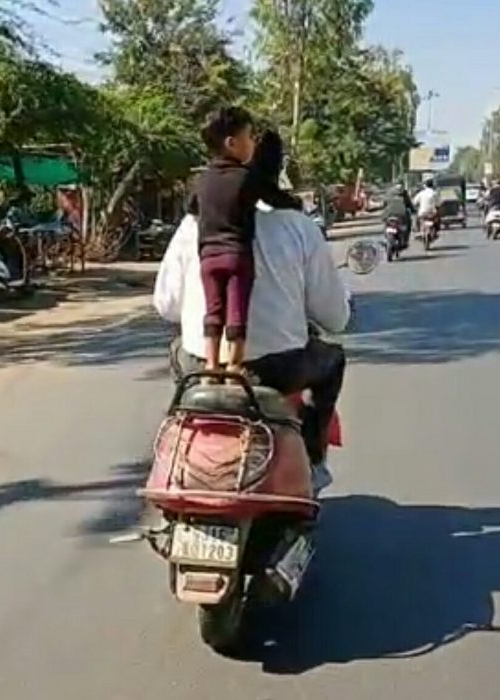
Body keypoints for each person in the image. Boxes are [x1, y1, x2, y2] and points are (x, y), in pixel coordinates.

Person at [154, 129, 350, 484]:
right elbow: (336, 318)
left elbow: (166, 306)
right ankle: (314, 456)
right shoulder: (299, 227)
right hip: (279, 371)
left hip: (203, 365)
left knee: (177, 350)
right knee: (333, 359)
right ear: (276, 169)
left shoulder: (192, 224)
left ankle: (185, 425)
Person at [194, 107, 300, 378]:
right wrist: (295, 203)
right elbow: (274, 198)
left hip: (207, 257)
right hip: (236, 256)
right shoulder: (246, 177)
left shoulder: (201, 180)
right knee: (236, 311)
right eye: (249, 137)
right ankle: (234, 365)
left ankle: (210, 365)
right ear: (232, 143)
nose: (253, 143)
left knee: (213, 310)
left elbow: (191, 207)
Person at [383, 182, 416, 249]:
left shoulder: (389, 192)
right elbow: (409, 204)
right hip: (401, 214)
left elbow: (384, 203)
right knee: (407, 225)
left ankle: (387, 238)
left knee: (386, 223)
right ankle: (405, 240)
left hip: (390, 214)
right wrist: (413, 210)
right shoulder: (404, 192)